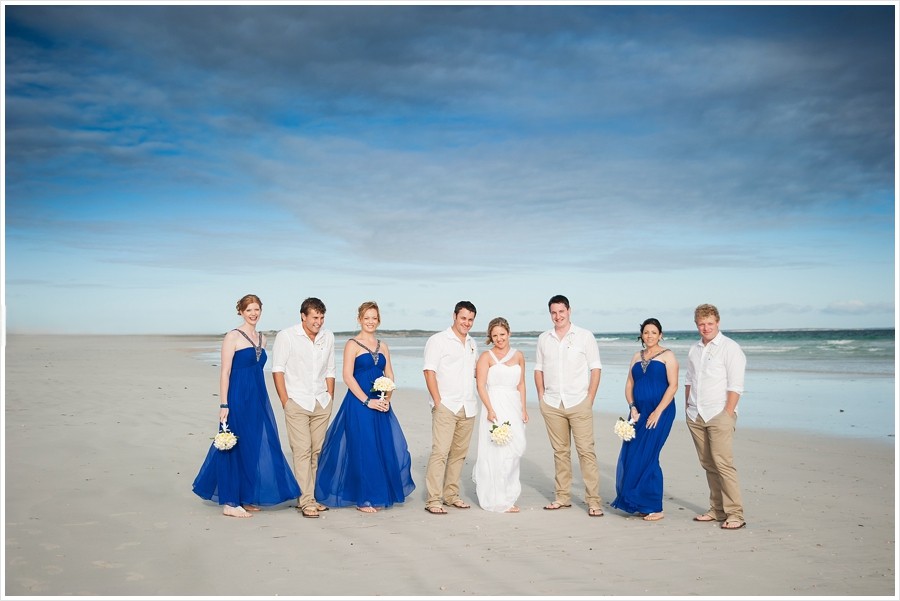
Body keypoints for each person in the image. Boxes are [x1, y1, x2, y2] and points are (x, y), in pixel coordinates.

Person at [193, 294, 301, 517]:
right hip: (237, 397)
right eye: (249, 310)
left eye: (257, 309)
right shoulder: (232, 336)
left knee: (253, 444)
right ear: (241, 311)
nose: (253, 313)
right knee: (233, 446)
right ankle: (230, 502)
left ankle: (246, 496)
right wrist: (224, 403)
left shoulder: (263, 338)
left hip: (258, 397)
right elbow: (225, 372)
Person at [315, 302, 416, 512]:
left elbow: (390, 375)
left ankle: (377, 493)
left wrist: (387, 398)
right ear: (359, 319)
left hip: (380, 405)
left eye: (374, 318)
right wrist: (366, 401)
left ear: (378, 320)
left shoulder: (384, 346)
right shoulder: (352, 344)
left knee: (380, 448)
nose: (370, 322)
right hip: (360, 404)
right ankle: (364, 498)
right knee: (363, 448)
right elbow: (347, 376)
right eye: (366, 318)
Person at [534, 294, 604, 517]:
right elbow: (538, 369)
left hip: (579, 402)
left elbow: (595, 368)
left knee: (586, 452)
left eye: (561, 311)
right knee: (560, 452)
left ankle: (593, 500)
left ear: (569, 311)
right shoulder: (544, 338)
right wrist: (541, 397)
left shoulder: (585, 336)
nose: (557, 316)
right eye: (554, 312)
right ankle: (562, 497)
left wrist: (589, 398)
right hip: (553, 403)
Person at [272, 297, 336, 519]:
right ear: (303, 316)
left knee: (316, 451)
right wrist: (285, 401)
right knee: (302, 450)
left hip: (321, 402)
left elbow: (330, 369)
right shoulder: (287, 336)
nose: (318, 322)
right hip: (296, 401)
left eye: (321, 317)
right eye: (314, 317)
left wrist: (330, 396)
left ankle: (307, 496)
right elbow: (278, 370)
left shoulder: (328, 337)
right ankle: (307, 500)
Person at [685, 303, 748, 530]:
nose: (706, 328)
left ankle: (735, 514)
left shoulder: (730, 348)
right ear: (696, 325)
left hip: (719, 414)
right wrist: (688, 408)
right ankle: (717, 509)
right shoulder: (694, 349)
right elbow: (689, 380)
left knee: (723, 464)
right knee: (708, 464)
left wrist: (727, 413)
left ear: (717, 323)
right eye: (701, 324)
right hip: (696, 414)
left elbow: (736, 385)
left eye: (710, 323)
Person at [611, 318, 679, 521]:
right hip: (638, 413)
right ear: (642, 335)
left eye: (653, 332)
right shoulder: (636, 356)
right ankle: (640, 502)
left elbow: (673, 386)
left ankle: (655, 506)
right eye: (646, 332)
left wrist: (657, 411)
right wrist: (632, 407)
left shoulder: (668, 356)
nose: (649, 336)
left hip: (660, 412)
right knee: (632, 454)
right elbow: (629, 385)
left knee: (649, 455)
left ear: (660, 334)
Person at [422, 300, 479, 515]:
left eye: (470, 320)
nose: (466, 323)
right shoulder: (438, 340)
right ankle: (434, 499)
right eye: (463, 318)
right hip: (446, 404)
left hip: (468, 406)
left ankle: (451, 495)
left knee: (459, 454)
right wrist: (438, 401)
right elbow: (429, 371)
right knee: (440, 452)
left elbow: (476, 372)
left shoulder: (472, 343)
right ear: (454, 316)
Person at [472, 317, 528, 513]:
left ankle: (510, 494)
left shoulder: (519, 355)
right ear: (490, 337)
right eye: (494, 335)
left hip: (513, 404)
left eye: (502, 334)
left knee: (515, 449)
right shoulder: (486, 357)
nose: (499, 339)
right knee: (496, 451)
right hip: (494, 405)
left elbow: (521, 384)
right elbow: (480, 385)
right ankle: (497, 498)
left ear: (509, 333)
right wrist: (490, 409)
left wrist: (524, 409)